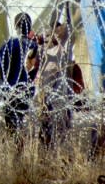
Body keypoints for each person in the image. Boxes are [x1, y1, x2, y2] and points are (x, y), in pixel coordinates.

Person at [0, 12, 38, 135]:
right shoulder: (33, 46)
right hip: (28, 91)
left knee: (11, 127)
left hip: (10, 91)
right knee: (25, 126)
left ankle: (13, 149)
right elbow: (37, 70)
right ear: (29, 27)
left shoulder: (8, 45)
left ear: (15, 26)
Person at [35, 20, 74, 149]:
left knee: (61, 130)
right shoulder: (42, 52)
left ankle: (55, 152)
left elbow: (68, 32)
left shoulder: (61, 52)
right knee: (46, 127)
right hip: (45, 96)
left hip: (59, 96)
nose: (48, 39)